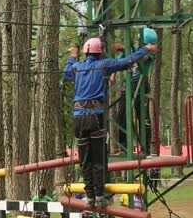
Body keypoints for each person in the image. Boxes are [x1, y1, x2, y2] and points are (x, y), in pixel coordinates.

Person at [63, 37, 157, 208]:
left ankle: (89, 196)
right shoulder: (104, 65)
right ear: (100, 53)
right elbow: (129, 61)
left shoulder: (76, 67)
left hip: (78, 117)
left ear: (85, 52)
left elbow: (66, 72)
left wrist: (72, 56)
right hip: (95, 117)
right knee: (99, 157)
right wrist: (146, 49)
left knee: (85, 159)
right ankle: (99, 195)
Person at [111, 28, 158, 155]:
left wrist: (126, 49)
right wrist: (113, 75)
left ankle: (145, 148)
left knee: (142, 118)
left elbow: (140, 58)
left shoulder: (148, 53)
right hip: (127, 85)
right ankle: (124, 147)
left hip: (140, 84)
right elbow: (118, 62)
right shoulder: (133, 49)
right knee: (122, 115)